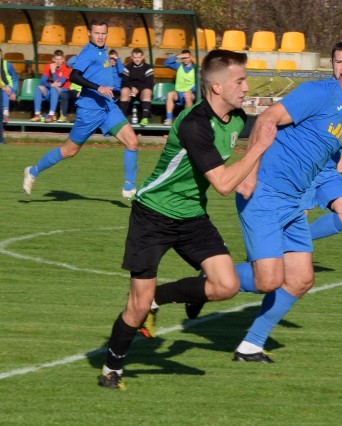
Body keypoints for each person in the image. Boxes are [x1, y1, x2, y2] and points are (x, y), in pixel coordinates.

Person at [142, 44, 342, 364]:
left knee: (300, 279)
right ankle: (161, 295)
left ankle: (250, 346)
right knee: (268, 279)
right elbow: (268, 118)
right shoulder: (318, 93)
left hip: (293, 202)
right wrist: (251, 170)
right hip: (266, 192)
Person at [97, 49, 276, 390]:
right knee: (135, 308)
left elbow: (272, 127)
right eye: (239, 80)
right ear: (217, 87)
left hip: (192, 216)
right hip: (152, 215)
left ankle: (158, 298)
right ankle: (111, 369)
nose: (246, 86)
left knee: (227, 285)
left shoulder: (236, 118)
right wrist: (257, 151)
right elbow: (223, 184)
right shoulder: (194, 124)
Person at [22, 20, 140, 200]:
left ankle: (129, 188)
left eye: (103, 33)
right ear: (89, 33)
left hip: (107, 107)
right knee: (69, 151)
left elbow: (104, 82)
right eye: (97, 33)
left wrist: (124, 90)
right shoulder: (89, 52)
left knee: (132, 142)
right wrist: (98, 88)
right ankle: (32, 171)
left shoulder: (103, 52)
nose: (100, 37)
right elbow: (74, 76)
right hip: (89, 110)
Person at [301, 41, 342, 240]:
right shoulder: (319, 92)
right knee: (297, 220)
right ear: (331, 64)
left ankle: (300, 240)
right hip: (304, 169)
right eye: (338, 61)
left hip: (327, 171)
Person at [30, 50, 72, 123]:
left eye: (60, 59)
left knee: (54, 89)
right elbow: (42, 81)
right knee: (39, 88)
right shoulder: (48, 66)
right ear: (53, 59)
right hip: (51, 88)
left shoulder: (66, 68)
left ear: (63, 60)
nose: (58, 61)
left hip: (63, 90)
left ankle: (51, 114)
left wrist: (53, 72)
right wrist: (50, 85)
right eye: (56, 59)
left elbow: (59, 83)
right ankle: (37, 114)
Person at [119, 48, 153, 127]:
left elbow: (149, 83)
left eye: (139, 57)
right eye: (135, 57)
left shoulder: (148, 67)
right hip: (131, 91)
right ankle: (122, 119)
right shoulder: (127, 67)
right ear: (131, 57)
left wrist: (138, 90)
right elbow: (124, 82)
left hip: (142, 91)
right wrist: (132, 88)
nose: (137, 59)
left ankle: (145, 118)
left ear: (142, 57)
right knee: (124, 90)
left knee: (147, 91)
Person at [163, 49, 196, 126]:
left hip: (190, 93)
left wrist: (191, 90)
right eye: (183, 58)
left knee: (187, 96)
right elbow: (166, 63)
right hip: (179, 93)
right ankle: (168, 119)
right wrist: (177, 56)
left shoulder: (195, 68)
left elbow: (198, 83)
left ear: (191, 57)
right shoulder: (178, 66)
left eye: (187, 57)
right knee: (170, 94)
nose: (185, 60)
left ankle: (188, 119)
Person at [0, 48, 19, 123]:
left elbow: (15, 78)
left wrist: (13, 92)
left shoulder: (7, 65)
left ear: (1, 56)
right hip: (2, 87)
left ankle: (5, 113)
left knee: (3, 91)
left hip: (9, 87)